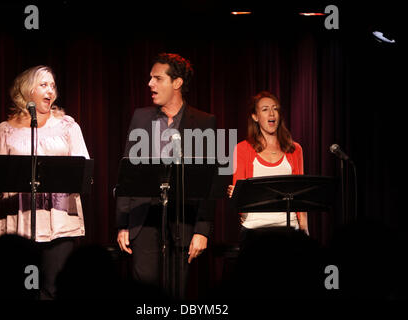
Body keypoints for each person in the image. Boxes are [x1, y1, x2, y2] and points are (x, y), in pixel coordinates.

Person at [116, 53, 216, 298]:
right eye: (150, 78)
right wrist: (122, 223)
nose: (150, 84)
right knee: (144, 290)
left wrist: (202, 229)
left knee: (177, 291)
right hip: (143, 217)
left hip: (183, 218)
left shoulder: (204, 121)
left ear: (177, 83)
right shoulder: (140, 117)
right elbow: (128, 174)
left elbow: (209, 181)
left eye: (157, 78)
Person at [0, 65, 90, 299]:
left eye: (53, 86)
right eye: (43, 85)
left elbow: (83, 172)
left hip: (60, 223)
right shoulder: (4, 132)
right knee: (19, 290)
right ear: (26, 91)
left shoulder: (68, 127)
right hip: (21, 226)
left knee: (53, 289)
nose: (50, 91)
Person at [227, 91, 309, 236]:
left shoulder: (295, 149)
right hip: (255, 229)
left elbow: (300, 195)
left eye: (275, 108)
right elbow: (238, 197)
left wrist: (304, 228)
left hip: (289, 228)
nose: (271, 114)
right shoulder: (242, 149)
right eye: (265, 109)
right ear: (255, 116)